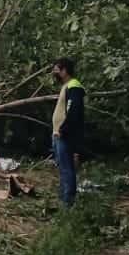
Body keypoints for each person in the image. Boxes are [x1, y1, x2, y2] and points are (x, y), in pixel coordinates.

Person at [51, 57, 85, 206]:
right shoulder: (66, 86)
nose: (55, 72)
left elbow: (73, 111)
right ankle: (63, 197)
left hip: (65, 134)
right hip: (58, 133)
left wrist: (63, 129)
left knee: (67, 168)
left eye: (57, 69)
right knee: (62, 167)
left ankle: (68, 201)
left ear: (64, 70)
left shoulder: (74, 86)